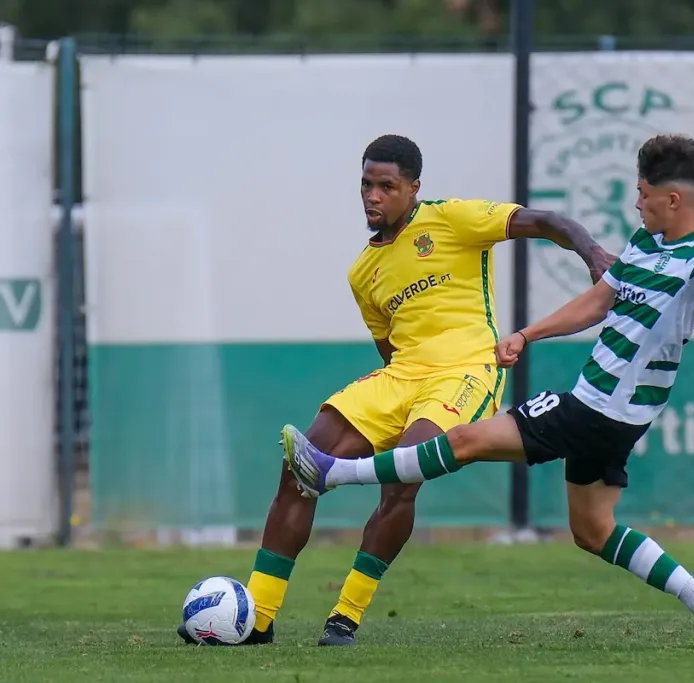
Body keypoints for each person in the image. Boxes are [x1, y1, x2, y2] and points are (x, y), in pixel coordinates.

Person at [282, 133, 694, 649]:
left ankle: (333, 472)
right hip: (619, 420)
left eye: (642, 193)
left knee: (464, 441)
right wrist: (526, 335)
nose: (635, 203)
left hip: (595, 409)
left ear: (673, 200)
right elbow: (598, 302)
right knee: (593, 531)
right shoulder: (646, 245)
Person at [177, 134, 614, 647]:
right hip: (402, 376)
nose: (373, 196)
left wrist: (592, 252)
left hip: (466, 370)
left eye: (387, 186)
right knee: (300, 465)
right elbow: (389, 351)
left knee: (403, 476)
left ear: (413, 189)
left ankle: (345, 616)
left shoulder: (452, 219)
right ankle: (257, 619)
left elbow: (546, 222)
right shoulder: (363, 272)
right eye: (366, 184)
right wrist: (386, 411)